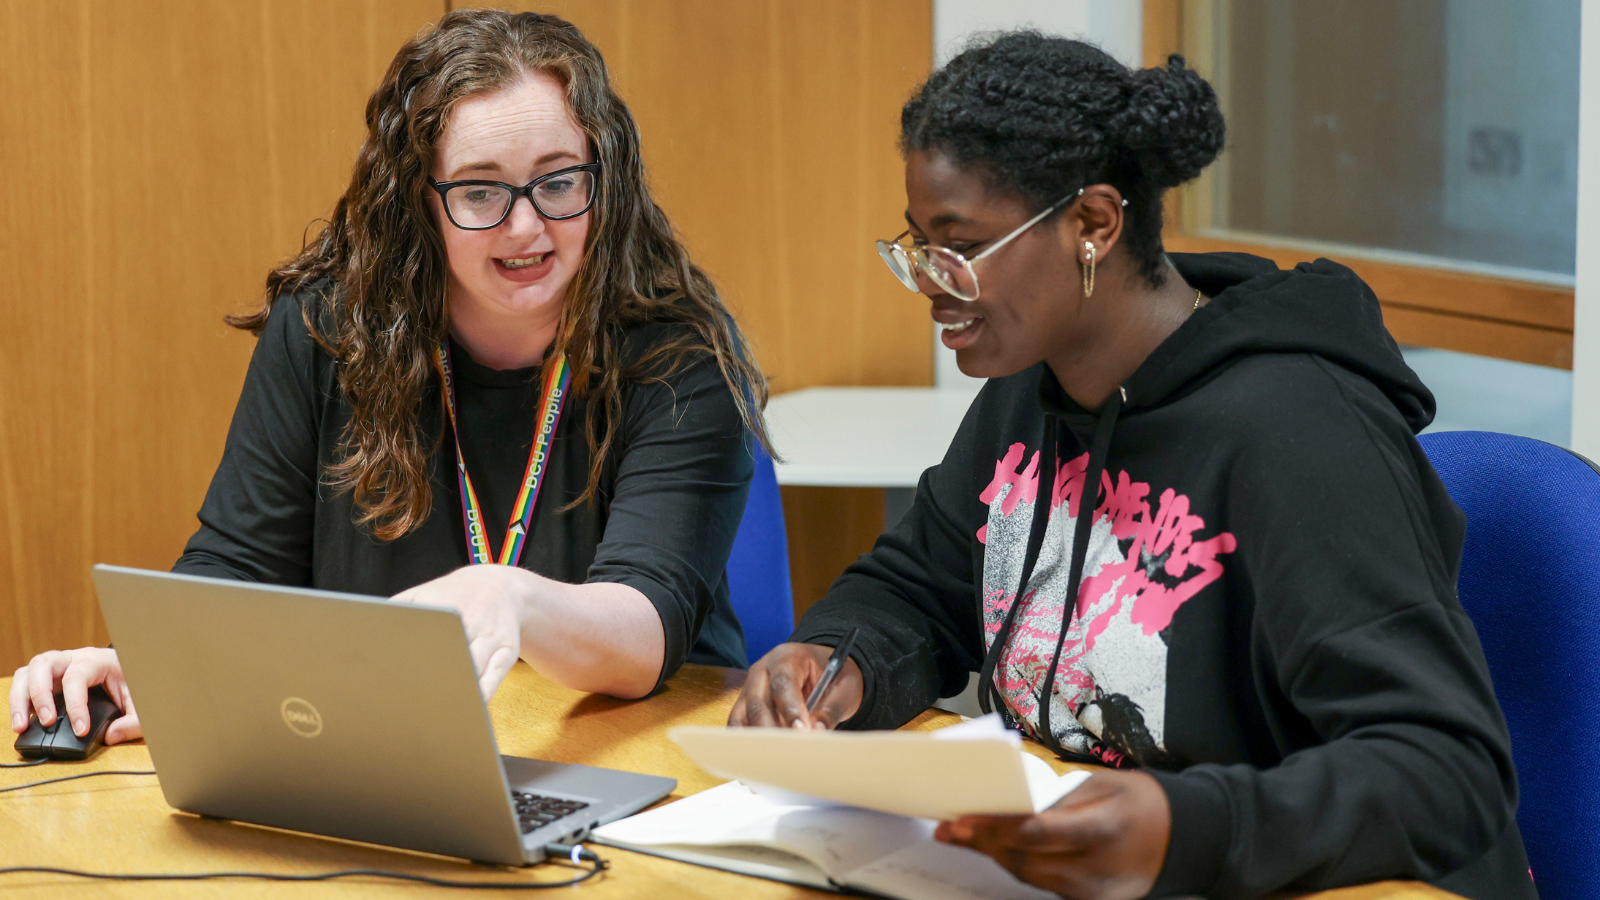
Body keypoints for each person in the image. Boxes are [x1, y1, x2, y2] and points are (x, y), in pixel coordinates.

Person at [729, 33, 1533, 900]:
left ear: (1095, 225)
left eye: (957, 246)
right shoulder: (1027, 391)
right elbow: (918, 587)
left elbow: (1448, 771)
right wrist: (833, 657)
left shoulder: (1302, 435)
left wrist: (1182, 827)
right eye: (917, 244)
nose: (930, 282)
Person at [12, 10, 768, 750]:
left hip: (639, 764)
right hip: (387, 750)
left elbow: (647, 626)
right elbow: (240, 569)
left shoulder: (680, 356)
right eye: (480, 191)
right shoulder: (325, 332)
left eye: (558, 181)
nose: (526, 227)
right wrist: (159, 666)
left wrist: (511, 597)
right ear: (420, 202)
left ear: (604, 178)